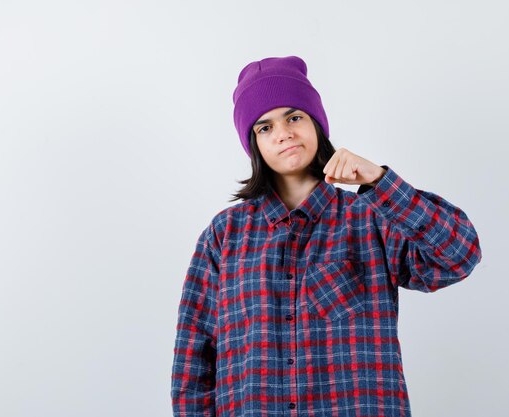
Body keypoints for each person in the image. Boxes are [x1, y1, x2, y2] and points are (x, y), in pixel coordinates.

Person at [170, 55, 482, 417]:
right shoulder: (223, 235)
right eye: (265, 127)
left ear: (316, 124)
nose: (284, 133)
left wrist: (379, 181)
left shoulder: (371, 217)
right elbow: (194, 361)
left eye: (294, 117)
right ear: (253, 144)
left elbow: (459, 255)